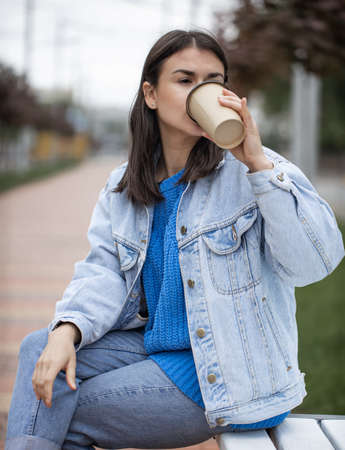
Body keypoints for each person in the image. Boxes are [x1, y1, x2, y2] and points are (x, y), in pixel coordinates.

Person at [5, 28, 345, 450]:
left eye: (212, 83)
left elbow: (314, 264)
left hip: (227, 374)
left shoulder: (256, 170)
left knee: (55, 406)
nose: (199, 93)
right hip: (154, 348)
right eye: (185, 80)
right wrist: (66, 330)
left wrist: (258, 166)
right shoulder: (123, 186)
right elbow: (104, 270)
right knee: (40, 345)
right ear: (151, 94)